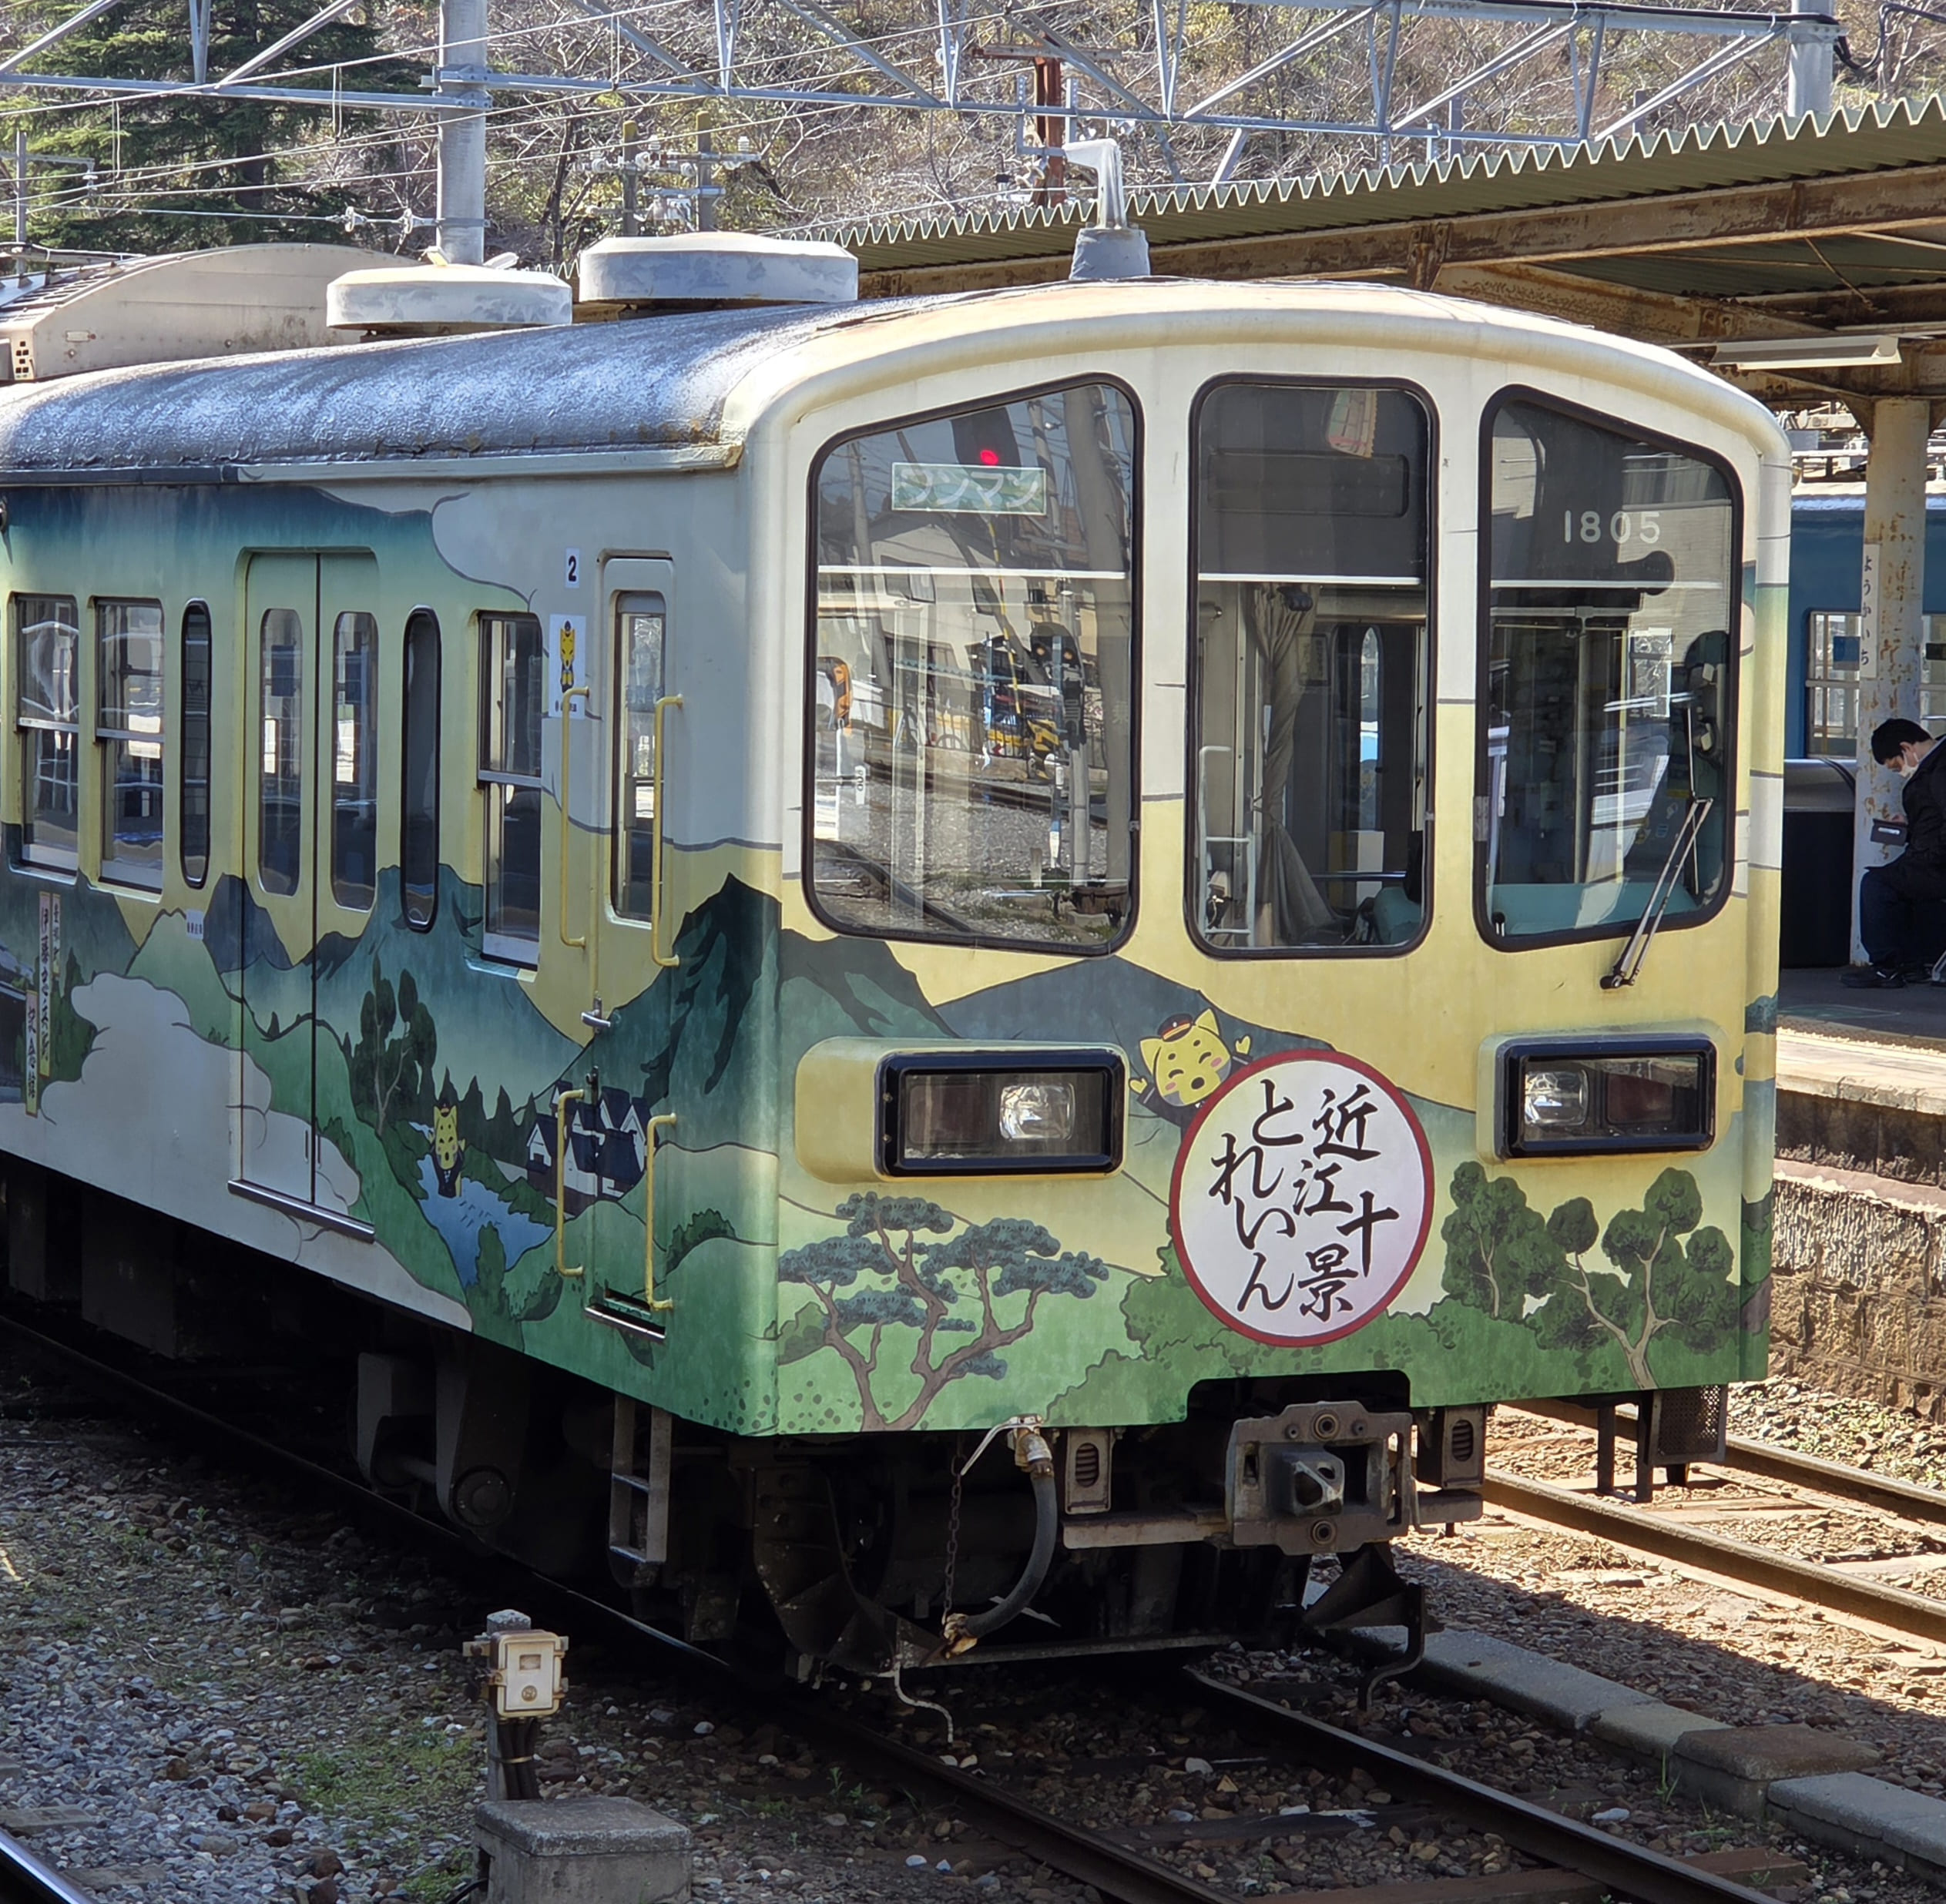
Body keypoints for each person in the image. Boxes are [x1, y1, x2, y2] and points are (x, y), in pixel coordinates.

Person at [1845, 716, 1946, 988]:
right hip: (1931, 857)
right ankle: (1915, 962)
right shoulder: (1937, 766)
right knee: (1902, 884)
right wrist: (1911, 827)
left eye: (1896, 764)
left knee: (1876, 885)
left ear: (1906, 747)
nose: (1900, 770)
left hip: (1936, 863)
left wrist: (1927, 850)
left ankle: (1886, 966)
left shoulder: (1939, 770)